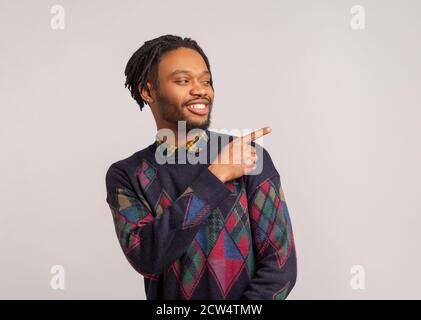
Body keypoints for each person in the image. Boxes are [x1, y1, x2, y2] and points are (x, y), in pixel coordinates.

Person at [105, 34, 297, 300]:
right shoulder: (127, 175)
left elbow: (280, 267)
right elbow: (147, 257)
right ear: (147, 91)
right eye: (183, 81)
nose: (201, 90)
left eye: (206, 81)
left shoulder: (249, 157)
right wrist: (216, 176)